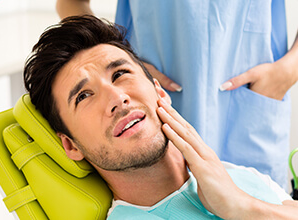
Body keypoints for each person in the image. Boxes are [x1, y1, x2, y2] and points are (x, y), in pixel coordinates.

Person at [23, 15, 298, 219]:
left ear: (160, 92)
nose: (117, 99)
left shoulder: (237, 178)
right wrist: (244, 208)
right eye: (83, 96)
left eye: (120, 74)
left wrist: (241, 203)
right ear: (70, 145)